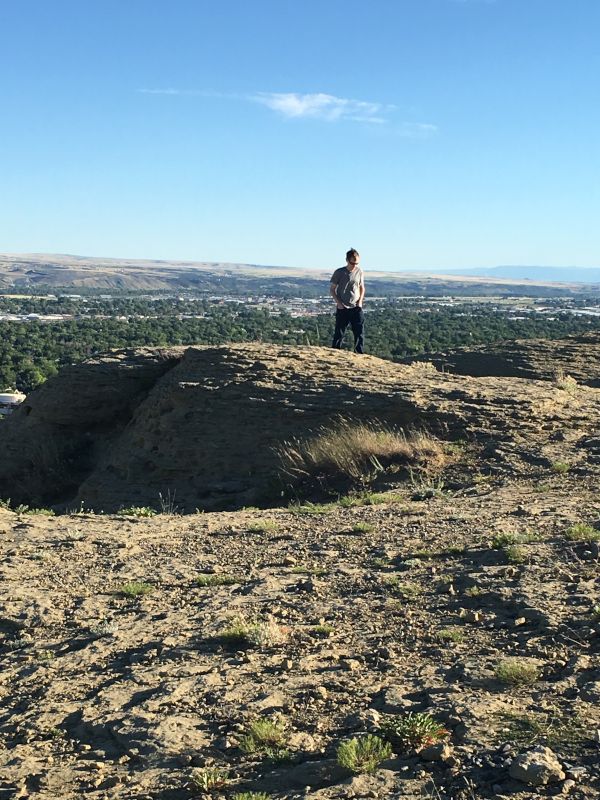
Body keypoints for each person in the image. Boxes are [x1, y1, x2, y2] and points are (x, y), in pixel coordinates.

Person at [330, 248, 365, 353]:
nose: (354, 265)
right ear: (347, 260)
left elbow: (362, 287)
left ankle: (359, 353)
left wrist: (360, 302)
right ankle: (336, 352)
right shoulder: (339, 272)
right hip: (343, 307)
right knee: (339, 332)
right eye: (352, 263)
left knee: (359, 332)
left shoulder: (359, 271)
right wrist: (339, 303)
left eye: (357, 263)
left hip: (356, 307)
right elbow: (332, 289)